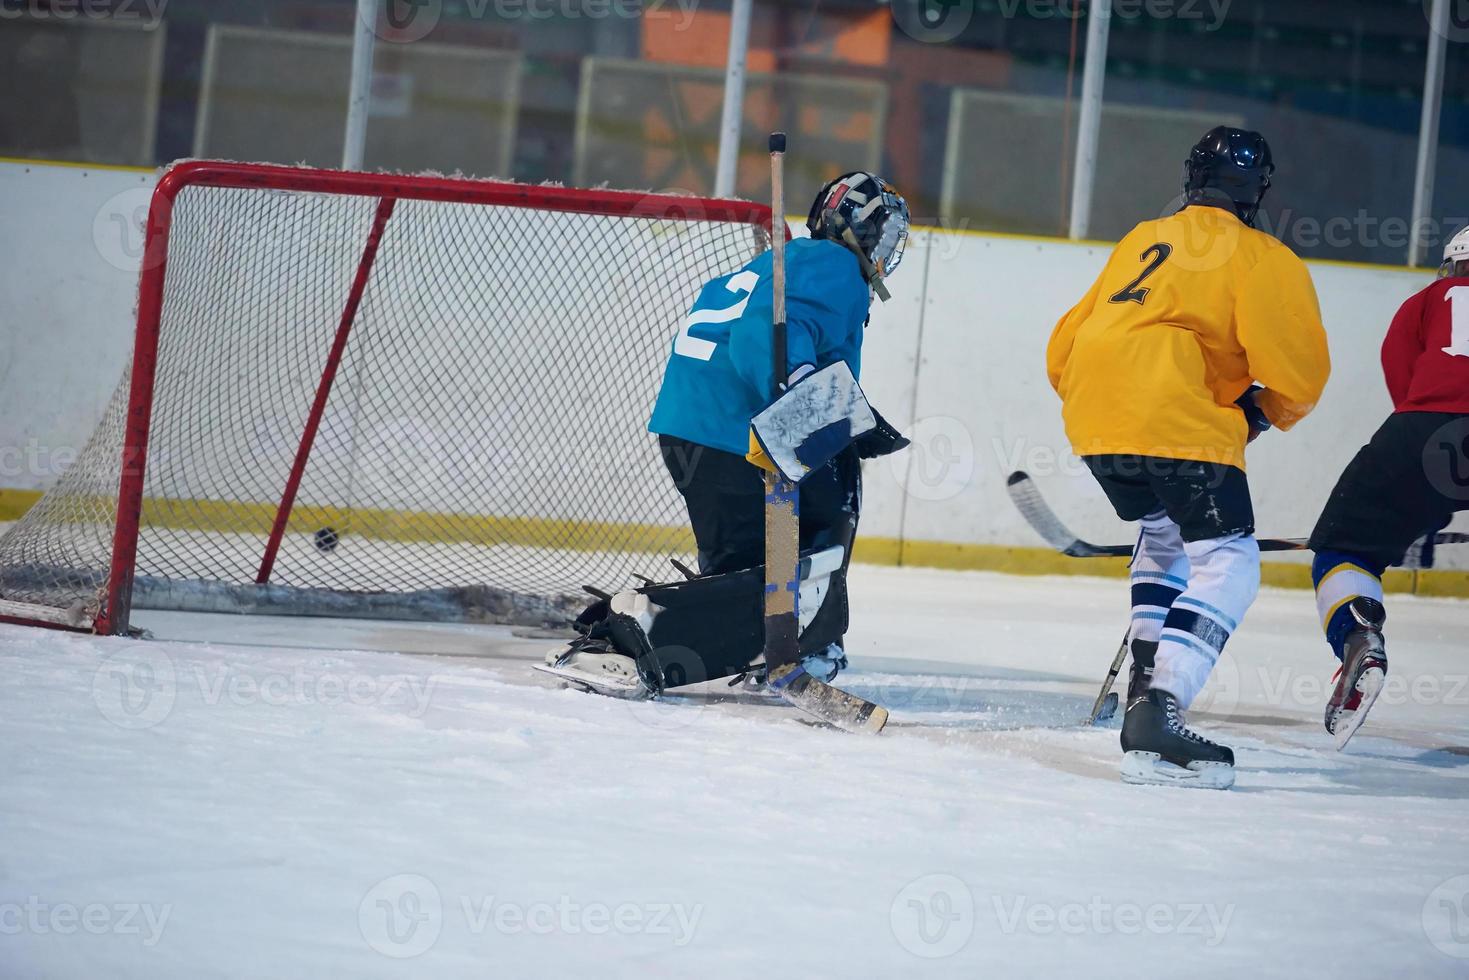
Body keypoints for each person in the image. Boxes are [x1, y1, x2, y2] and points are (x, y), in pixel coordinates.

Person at [539, 172, 911, 698]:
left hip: (694, 428)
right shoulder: (835, 265)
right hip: (737, 428)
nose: (888, 249)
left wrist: (837, 409)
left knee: (744, 566)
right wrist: (803, 394)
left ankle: (768, 638)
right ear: (857, 230)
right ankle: (637, 644)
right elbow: (764, 330)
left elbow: (772, 330)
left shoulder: (779, 264)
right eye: (887, 234)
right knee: (829, 511)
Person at [1046, 127, 1331, 789]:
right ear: (1255, 189)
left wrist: (1099, 411)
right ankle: (1158, 707)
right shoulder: (1258, 253)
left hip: (1093, 418)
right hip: (1173, 419)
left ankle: (1145, 675)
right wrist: (1259, 413)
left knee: (1161, 532)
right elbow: (1299, 371)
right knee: (1229, 563)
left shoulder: (1141, 237)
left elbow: (1066, 342)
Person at [1308, 227, 1469, 749]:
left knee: (1343, 549)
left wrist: (1425, 499)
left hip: (1423, 435)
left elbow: (1404, 384)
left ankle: (1360, 638)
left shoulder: (1425, 301)